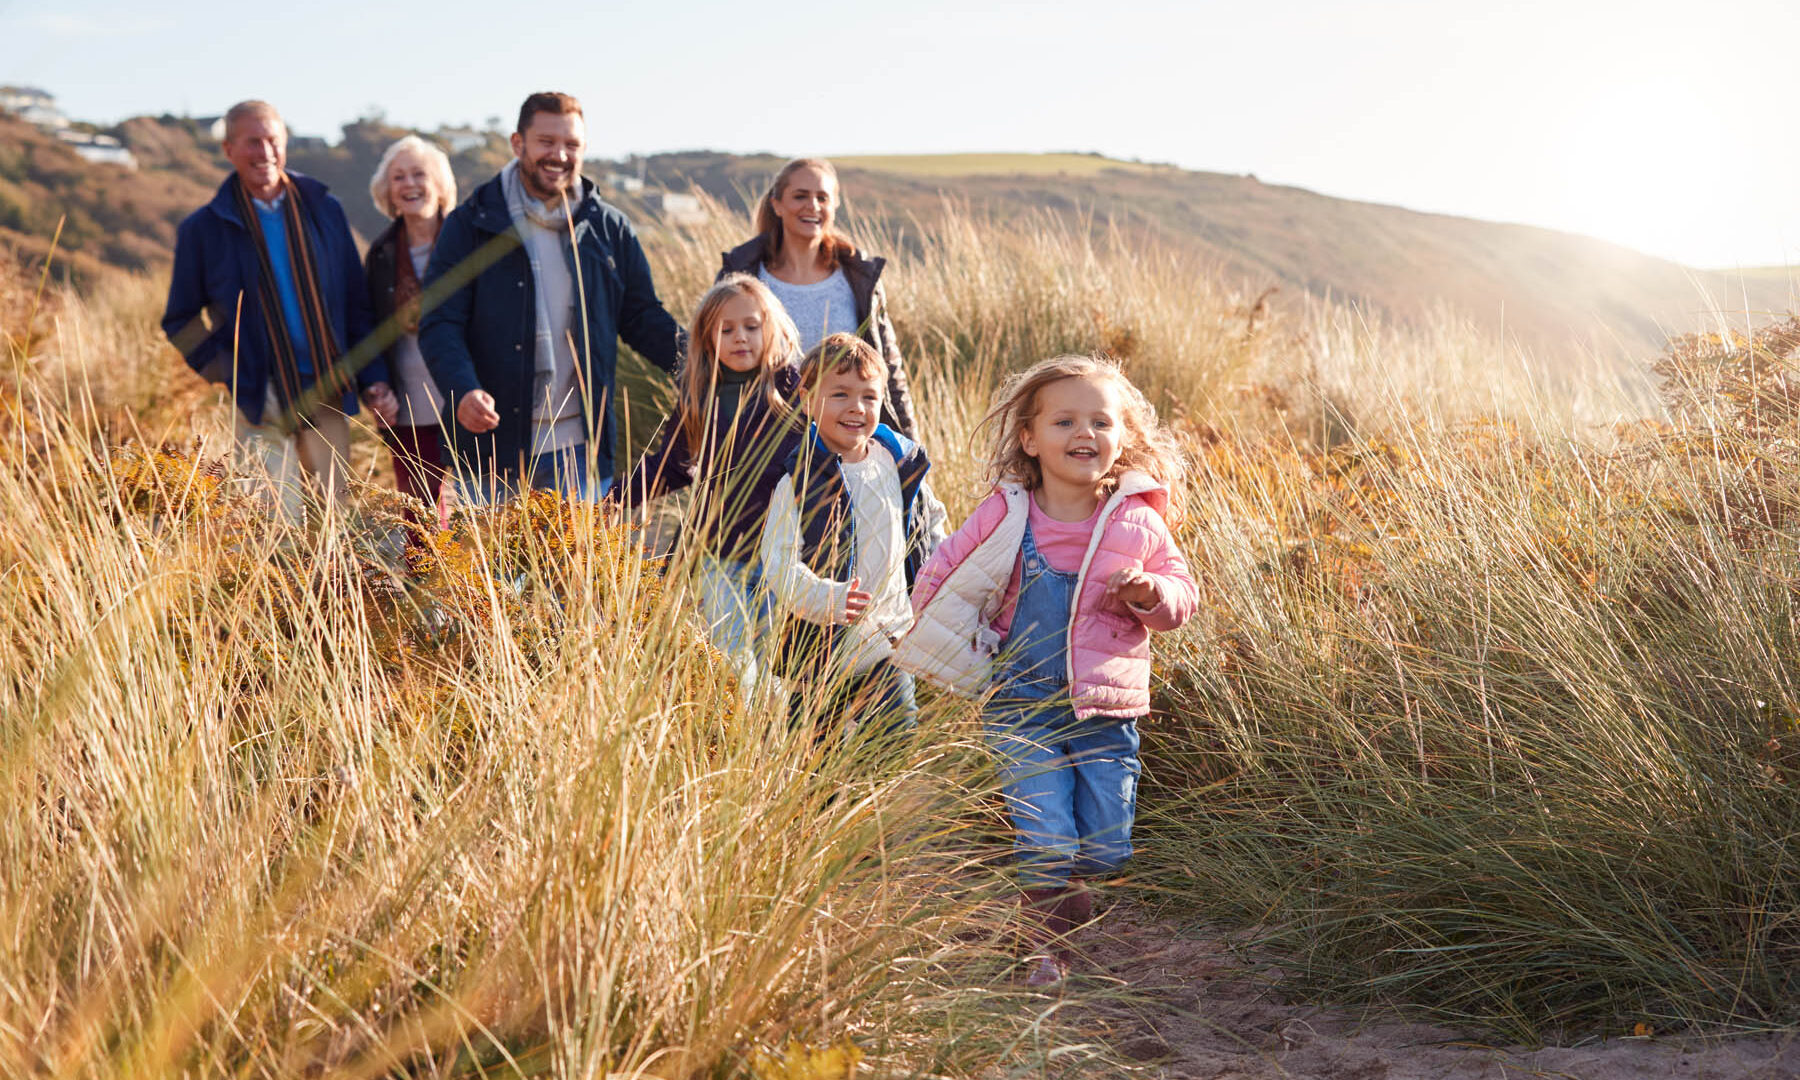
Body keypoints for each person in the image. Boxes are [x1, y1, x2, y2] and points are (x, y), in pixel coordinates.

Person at [896, 354, 1199, 985]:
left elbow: (1181, 598)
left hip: (1104, 710)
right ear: (1030, 439)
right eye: (1064, 421)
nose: (1083, 433)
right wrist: (968, 648)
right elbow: (940, 577)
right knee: (1047, 837)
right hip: (1020, 702)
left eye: (1100, 421)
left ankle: (1068, 905)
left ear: (1122, 439)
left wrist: (1148, 594)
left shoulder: (1137, 520)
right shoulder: (1006, 515)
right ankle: (1045, 947)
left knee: (1107, 845)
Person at [419, 91, 682, 502]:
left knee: (576, 568)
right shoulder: (470, 223)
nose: (559, 154)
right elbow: (439, 322)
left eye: (571, 145)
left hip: (582, 450)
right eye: (546, 142)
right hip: (493, 450)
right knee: (496, 569)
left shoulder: (608, 228)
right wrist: (461, 389)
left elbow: (643, 318)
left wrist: (703, 367)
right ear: (517, 143)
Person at [162, 99, 397, 519]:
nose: (265, 152)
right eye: (253, 142)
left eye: (273, 140)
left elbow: (355, 302)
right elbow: (180, 320)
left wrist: (373, 377)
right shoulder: (203, 228)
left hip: (326, 386)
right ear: (228, 150)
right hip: (260, 397)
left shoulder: (324, 209)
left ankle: (332, 587)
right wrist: (229, 371)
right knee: (274, 526)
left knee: (332, 522)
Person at [618, 274, 804, 698]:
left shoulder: (795, 389)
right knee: (734, 669)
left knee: (778, 670)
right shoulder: (701, 395)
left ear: (770, 327)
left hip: (784, 558)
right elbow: (669, 467)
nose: (741, 337)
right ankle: (740, 748)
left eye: (751, 326)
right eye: (727, 329)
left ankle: (776, 753)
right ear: (708, 338)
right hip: (721, 556)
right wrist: (612, 500)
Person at [759, 333, 947, 739]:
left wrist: (938, 577)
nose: (856, 408)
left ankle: (875, 799)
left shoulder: (899, 464)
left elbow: (931, 521)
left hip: (887, 642)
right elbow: (777, 562)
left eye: (869, 397)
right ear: (809, 401)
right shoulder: (799, 481)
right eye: (840, 394)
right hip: (818, 651)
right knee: (813, 759)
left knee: (897, 739)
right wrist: (826, 598)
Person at [719, 158, 920, 438]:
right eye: (800, 196)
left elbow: (887, 366)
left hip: (845, 441)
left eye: (822, 197)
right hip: (763, 440)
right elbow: (710, 360)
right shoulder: (743, 274)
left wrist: (911, 449)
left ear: (834, 205)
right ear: (777, 204)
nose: (812, 206)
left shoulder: (858, 275)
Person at [365, 134, 457, 520]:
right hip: (409, 406)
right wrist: (376, 386)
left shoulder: (466, 243)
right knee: (420, 518)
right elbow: (369, 329)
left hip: (470, 398)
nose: (409, 184)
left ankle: (489, 584)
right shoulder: (380, 255)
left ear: (438, 184)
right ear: (388, 192)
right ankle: (427, 583)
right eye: (398, 177)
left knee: (488, 513)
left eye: (418, 174)